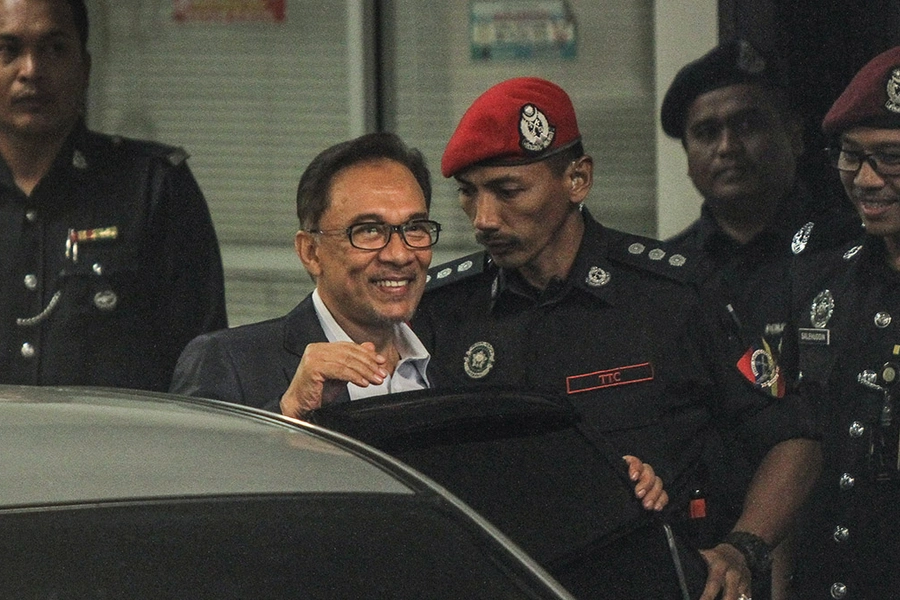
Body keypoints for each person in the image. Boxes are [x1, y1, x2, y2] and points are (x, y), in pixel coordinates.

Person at [413, 76, 821, 600]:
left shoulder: (673, 295)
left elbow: (794, 436)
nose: (483, 219)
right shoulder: (444, 311)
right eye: (469, 194)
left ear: (577, 179)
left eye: (508, 191)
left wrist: (743, 549)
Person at [171, 131, 669, 513]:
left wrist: (603, 482)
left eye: (414, 229)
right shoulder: (228, 361)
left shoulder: (462, 357)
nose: (399, 255)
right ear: (311, 252)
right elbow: (185, 518)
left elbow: (508, 495)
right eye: (369, 231)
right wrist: (285, 416)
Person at [0, 0, 226, 391]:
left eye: (55, 49)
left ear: (84, 68)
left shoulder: (153, 185)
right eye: (8, 50)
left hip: (120, 450)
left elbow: (202, 367)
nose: (31, 71)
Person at [661, 39, 860, 396]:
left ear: (795, 136)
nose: (727, 147)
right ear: (688, 158)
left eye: (747, 124)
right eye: (706, 133)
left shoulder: (852, 251)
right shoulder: (668, 275)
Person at [785, 45, 900, 599]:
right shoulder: (821, 270)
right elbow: (791, 439)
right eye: (851, 156)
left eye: (891, 157)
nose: (867, 180)